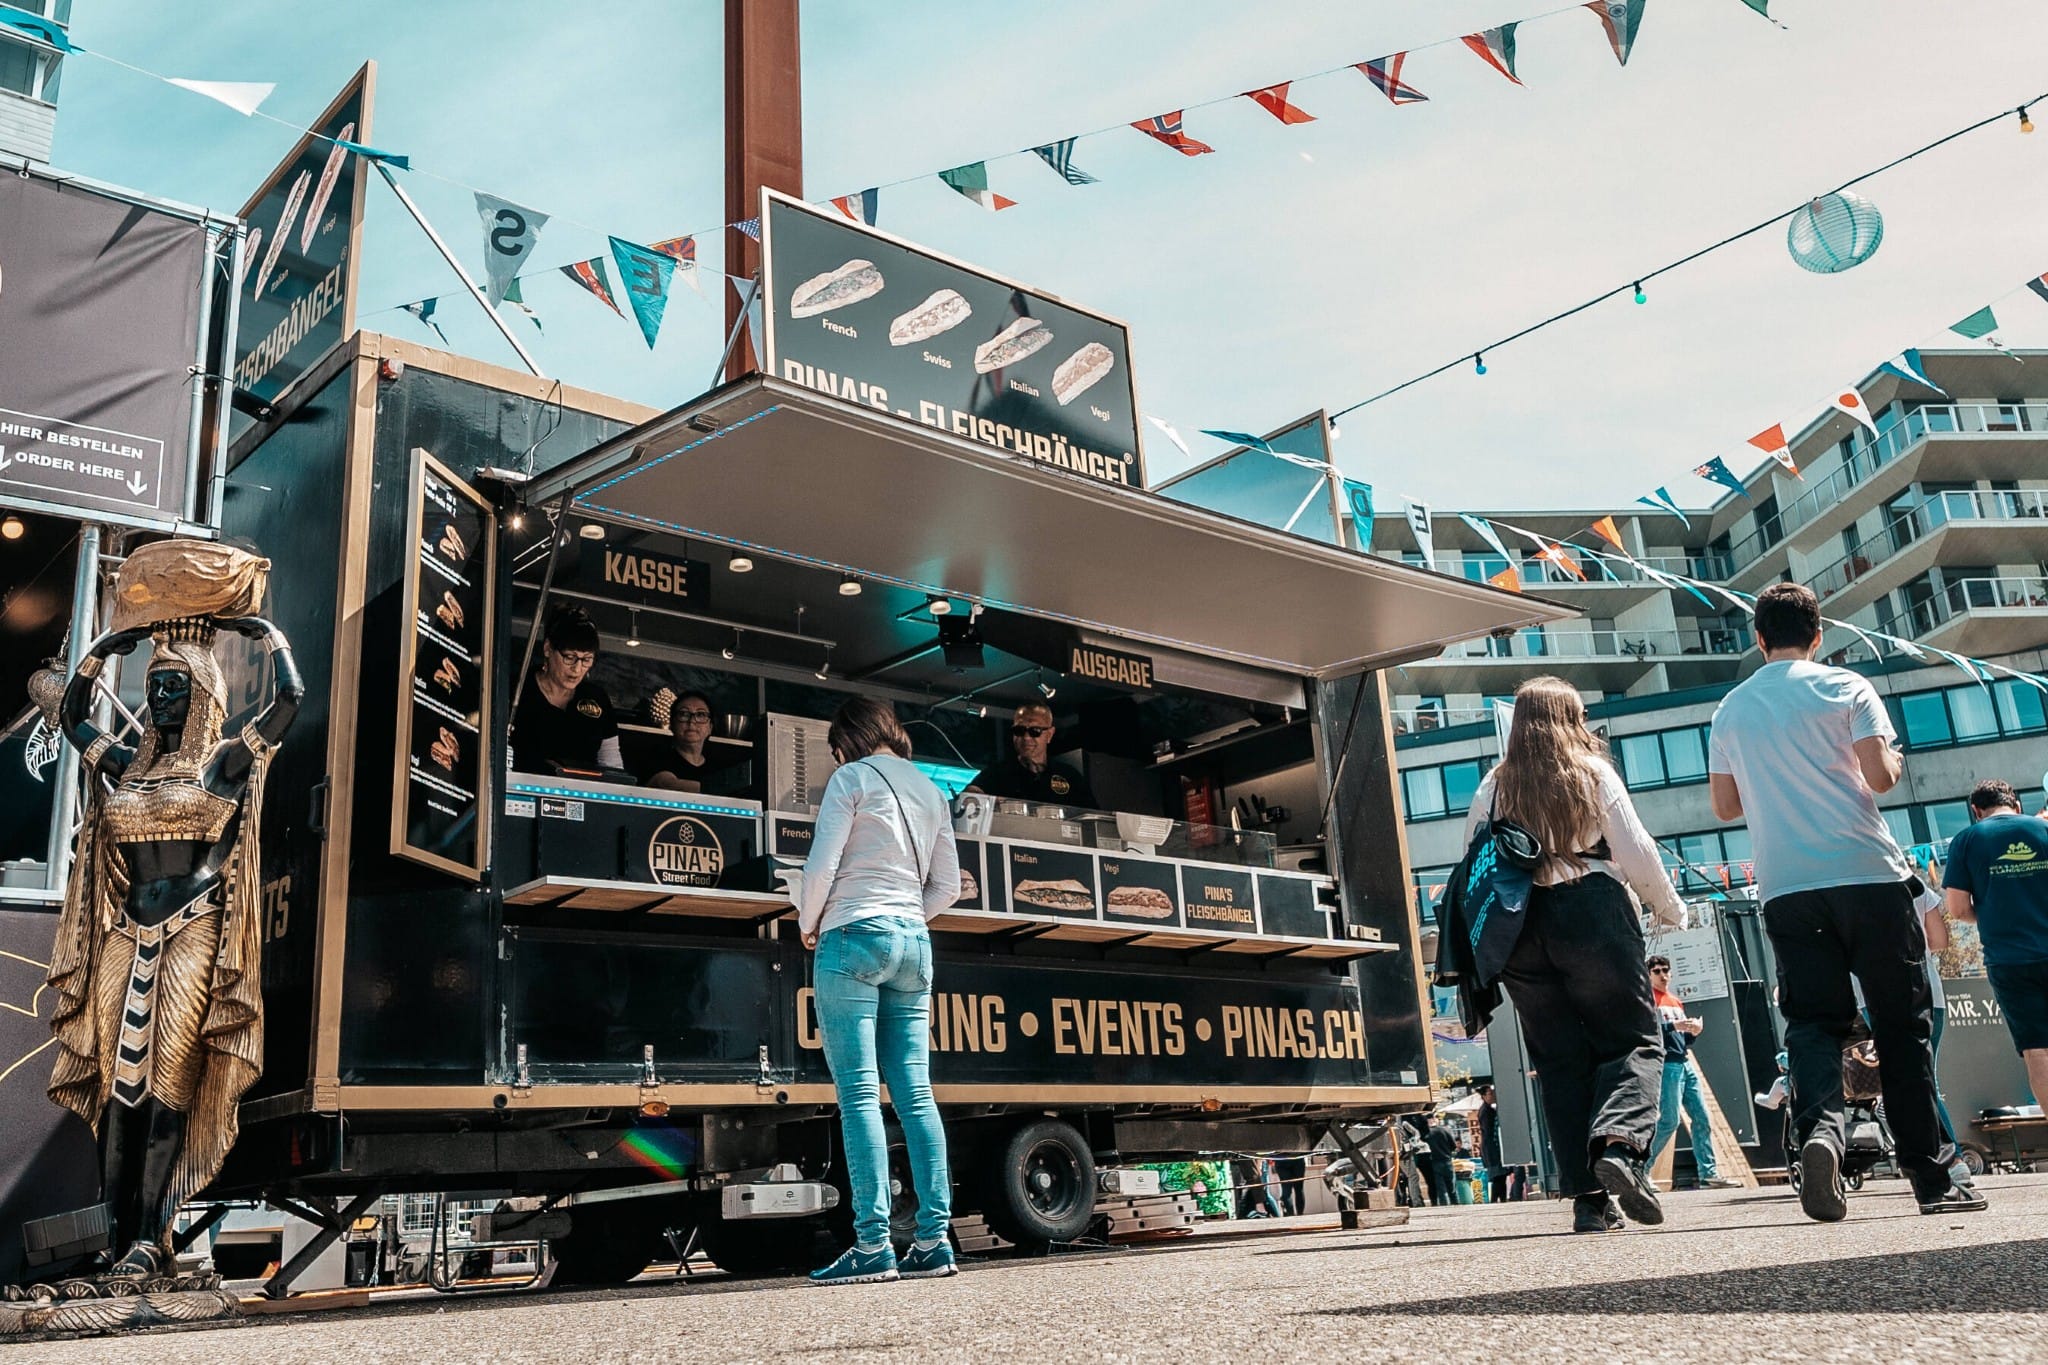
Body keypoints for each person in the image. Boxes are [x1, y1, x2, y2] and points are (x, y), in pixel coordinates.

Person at [1707, 582, 1982, 1221]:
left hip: (1786, 886)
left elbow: (1724, 806)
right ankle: (1933, 1178)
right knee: (1899, 1025)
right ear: (1819, 634)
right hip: (1866, 874)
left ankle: (1824, 1135)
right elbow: (1881, 778)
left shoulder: (1731, 710)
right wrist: (1888, 753)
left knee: (1811, 1023)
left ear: (1757, 637)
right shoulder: (1847, 687)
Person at [1462, 675, 1681, 1234]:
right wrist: (1669, 909)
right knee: (1632, 1038)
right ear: (1572, 720)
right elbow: (1635, 851)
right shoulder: (1591, 773)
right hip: (1592, 910)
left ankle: (1588, 1201)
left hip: (1520, 927)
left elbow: (1472, 861)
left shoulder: (1493, 784)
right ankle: (1620, 1147)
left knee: (1558, 1060)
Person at [797, 697, 962, 1285]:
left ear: (849, 740)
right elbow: (948, 886)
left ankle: (872, 1246)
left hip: (852, 934)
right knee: (916, 1095)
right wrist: (910, 915)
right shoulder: (932, 790)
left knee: (860, 1096)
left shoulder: (851, 777)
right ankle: (935, 1241)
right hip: (916, 943)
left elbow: (820, 867)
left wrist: (807, 922)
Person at [1941, 779, 2048, 1107]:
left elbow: (1957, 909)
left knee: (2038, 1051)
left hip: (2010, 961)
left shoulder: (1967, 841)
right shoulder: (2043, 829)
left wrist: (1990, 914)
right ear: (2016, 804)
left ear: (1976, 811)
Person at [1646, 956, 1740, 1189]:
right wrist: (1673, 1027)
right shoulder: (1648, 1000)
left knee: (1701, 1117)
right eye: (1656, 971)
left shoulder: (1675, 1001)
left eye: (1665, 970)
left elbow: (1684, 1040)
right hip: (1667, 1063)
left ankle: (1708, 1173)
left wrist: (1694, 1032)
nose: (1662, 975)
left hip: (1683, 1061)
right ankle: (1641, 1169)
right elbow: (1647, 1032)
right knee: (1669, 1120)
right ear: (1648, 975)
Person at [510, 608, 622, 775]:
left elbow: (611, 764)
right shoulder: (517, 690)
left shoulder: (597, 698)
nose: (577, 669)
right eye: (569, 657)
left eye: (586, 659)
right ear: (548, 648)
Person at [968, 702, 1098, 809]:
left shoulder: (1069, 775)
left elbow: (1094, 816)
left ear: (1050, 734)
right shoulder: (998, 772)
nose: (1026, 737)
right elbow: (969, 796)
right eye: (1019, 731)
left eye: (1035, 731)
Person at [640, 690, 726, 790]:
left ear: (710, 727)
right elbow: (666, 784)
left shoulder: (717, 769)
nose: (692, 721)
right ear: (672, 724)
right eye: (684, 714)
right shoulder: (657, 759)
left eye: (701, 715)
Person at [1477, 1085, 1510, 1203]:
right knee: (1498, 1175)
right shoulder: (1486, 1111)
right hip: (1491, 1147)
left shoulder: (1489, 1109)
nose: (1493, 1096)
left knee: (1501, 1175)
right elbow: (1488, 1130)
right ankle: (1495, 1200)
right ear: (1484, 1096)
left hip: (1492, 1145)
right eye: (1490, 1094)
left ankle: (1502, 1199)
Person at [1423, 1116, 1460, 1206]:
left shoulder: (1427, 1133)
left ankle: (1444, 1206)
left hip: (1435, 1162)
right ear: (1435, 1119)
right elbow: (1454, 1146)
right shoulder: (1445, 1130)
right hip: (1447, 1160)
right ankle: (1456, 1205)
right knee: (1452, 1188)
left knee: (1441, 1189)